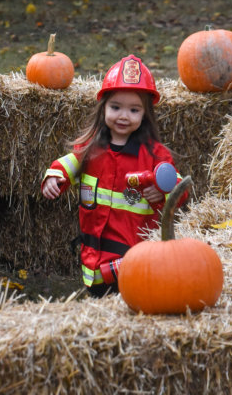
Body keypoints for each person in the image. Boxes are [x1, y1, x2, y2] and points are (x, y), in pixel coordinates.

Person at [41, 54, 187, 298]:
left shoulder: (154, 154)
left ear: (145, 114)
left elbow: (178, 185)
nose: (123, 116)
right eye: (116, 107)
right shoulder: (91, 148)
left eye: (133, 109)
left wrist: (164, 191)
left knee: (132, 299)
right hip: (95, 252)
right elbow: (69, 163)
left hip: (135, 254)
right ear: (103, 108)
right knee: (99, 298)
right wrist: (54, 177)